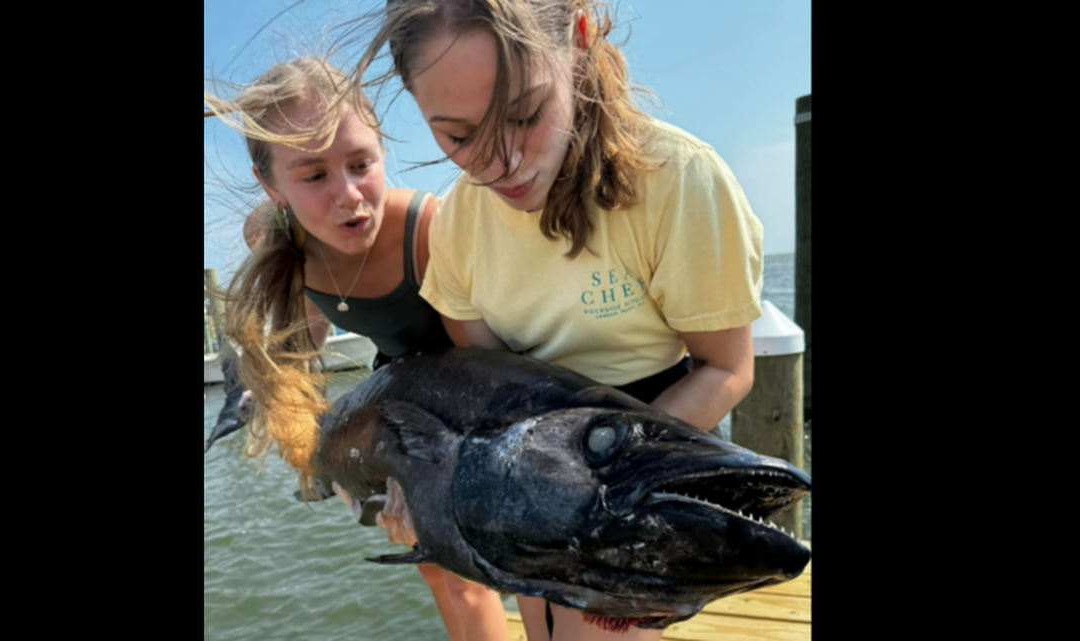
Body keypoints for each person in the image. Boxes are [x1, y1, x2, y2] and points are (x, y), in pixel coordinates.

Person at [346, 2, 762, 639]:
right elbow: (481, 392)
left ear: (579, 38)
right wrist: (424, 491)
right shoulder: (457, 224)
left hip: (654, 428)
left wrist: (605, 488)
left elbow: (726, 367)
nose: (500, 162)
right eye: (457, 136)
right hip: (525, 459)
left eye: (524, 115)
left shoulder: (678, 180)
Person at [204, 56, 509, 641]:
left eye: (361, 163)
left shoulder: (429, 230)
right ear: (272, 185)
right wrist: (333, 461)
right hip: (391, 401)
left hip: (461, 404)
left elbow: (483, 370)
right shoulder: (283, 241)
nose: (348, 195)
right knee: (431, 571)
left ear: (383, 150)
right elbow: (303, 347)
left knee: (465, 574)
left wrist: (427, 473)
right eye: (313, 176)